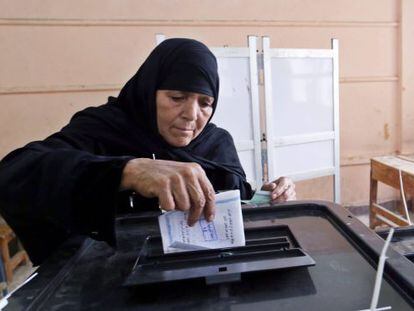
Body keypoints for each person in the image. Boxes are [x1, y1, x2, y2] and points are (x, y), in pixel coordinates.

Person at [0, 38, 295, 265]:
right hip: (113, 282)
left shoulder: (217, 142)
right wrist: (126, 171)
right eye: (177, 97)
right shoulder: (104, 128)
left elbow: (237, 201)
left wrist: (269, 198)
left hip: (207, 280)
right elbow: (15, 173)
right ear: (148, 89)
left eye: (205, 103)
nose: (192, 115)